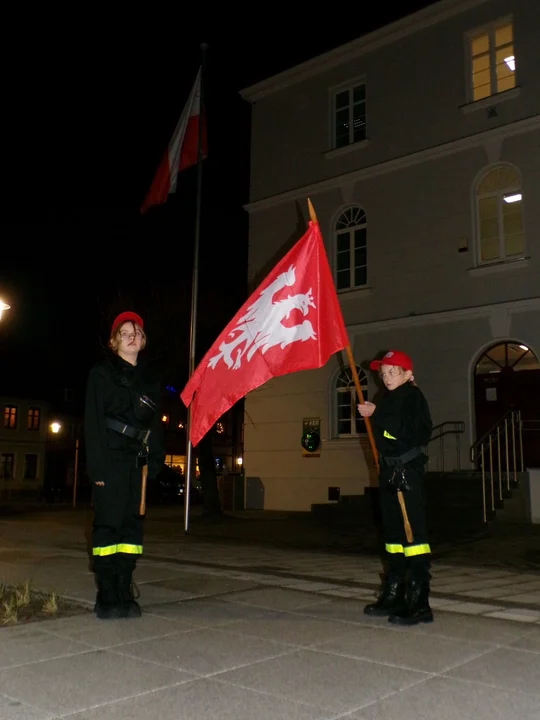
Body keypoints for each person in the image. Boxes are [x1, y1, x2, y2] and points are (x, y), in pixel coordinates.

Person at [84, 311, 164, 620]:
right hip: (110, 458)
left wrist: (153, 461)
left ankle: (124, 588)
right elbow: (93, 423)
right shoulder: (101, 374)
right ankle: (106, 593)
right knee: (109, 525)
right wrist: (98, 470)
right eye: (126, 332)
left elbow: (154, 425)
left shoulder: (148, 380)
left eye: (138, 332)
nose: (133, 336)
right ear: (115, 340)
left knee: (132, 526)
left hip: (138, 459)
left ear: (143, 342)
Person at [357, 349, 433, 625]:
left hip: (406, 472)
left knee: (412, 534)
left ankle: (418, 598)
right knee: (392, 533)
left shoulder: (412, 397)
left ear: (408, 374)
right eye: (384, 373)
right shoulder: (388, 398)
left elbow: (406, 432)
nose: (387, 378)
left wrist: (376, 414)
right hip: (389, 471)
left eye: (393, 372)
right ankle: (395, 590)